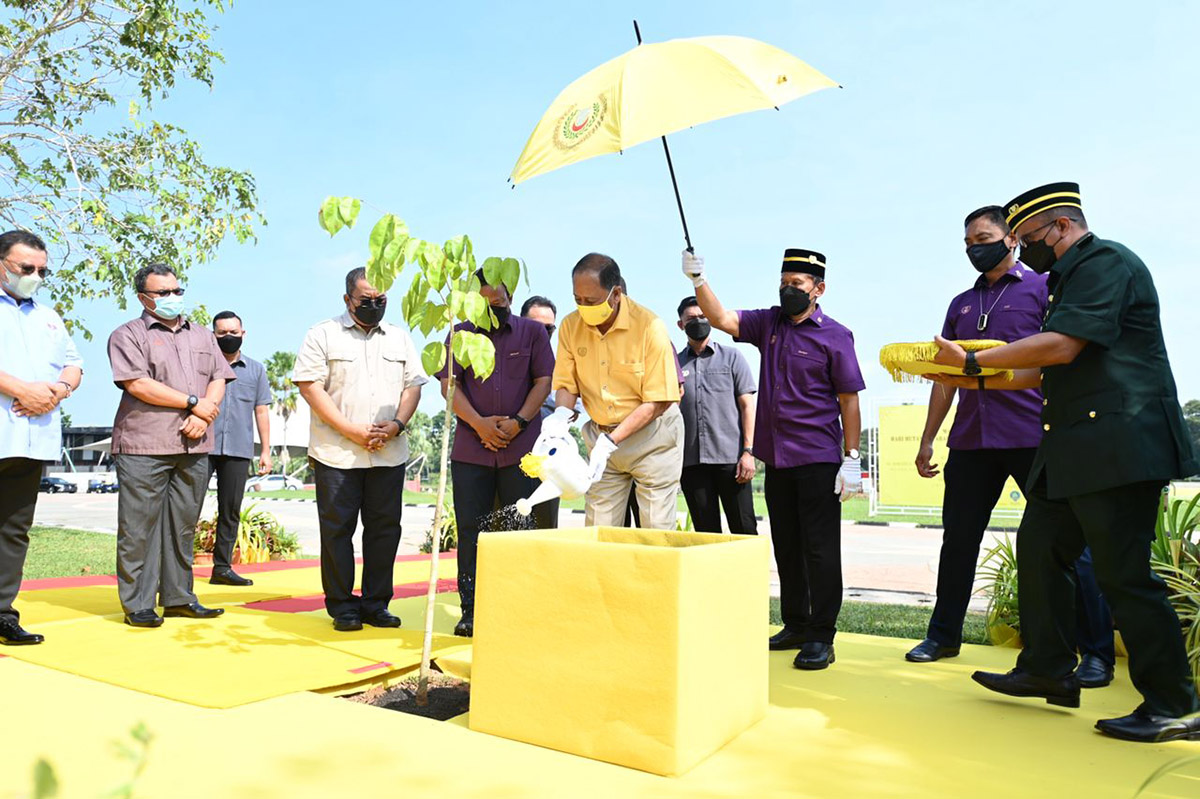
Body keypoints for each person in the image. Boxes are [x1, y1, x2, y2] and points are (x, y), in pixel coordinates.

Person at [932, 182, 1200, 742]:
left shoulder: (1106, 262)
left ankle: (1175, 703)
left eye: (1027, 238)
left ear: (1059, 226)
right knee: (1038, 548)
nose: (1022, 248)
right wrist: (965, 374)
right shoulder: (1066, 279)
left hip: (1119, 445)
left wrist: (978, 365)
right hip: (1075, 447)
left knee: (1124, 574)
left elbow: (1061, 346)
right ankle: (1047, 668)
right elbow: (1044, 370)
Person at [907, 207, 1115, 689]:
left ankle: (1097, 652)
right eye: (967, 242)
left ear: (1012, 239)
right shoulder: (960, 302)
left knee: (1067, 546)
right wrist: (927, 436)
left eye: (982, 237)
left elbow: (1061, 355)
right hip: (971, 441)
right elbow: (948, 378)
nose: (973, 248)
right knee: (957, 540)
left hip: (1033, 436)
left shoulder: (1043, 289)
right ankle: (943, 636)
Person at [687, 248, 864, 670]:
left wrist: (852, 458)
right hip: (778, 461)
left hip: (818, 458)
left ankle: (822, 635)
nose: (788, 291)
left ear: (818, 290)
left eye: (797, 285)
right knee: (786, 546)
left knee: (820, 550)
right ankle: (796, 624)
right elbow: (722, 318)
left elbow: (849, 400)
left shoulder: (835, 335)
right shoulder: (769, 324)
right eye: (783, 283)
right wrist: (698, 280)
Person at [294, 267, 426, 632]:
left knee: (385, 529)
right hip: (337, 452)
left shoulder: (399, 339)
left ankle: (376, 603)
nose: (373, 306)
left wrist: (397, 424)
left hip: (388, 451)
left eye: (380, 300)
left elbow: (413, 386)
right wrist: (349, 430)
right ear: (347, 299)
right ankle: (342, 606)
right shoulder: (322, 334)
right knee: (337, 530)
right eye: (365, 300)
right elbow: (310, 387)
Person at [108, 263, 233, 627]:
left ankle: (179, 597)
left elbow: (219, 378)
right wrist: (193, 404)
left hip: (193, 445)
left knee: (183, 526)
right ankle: (138, 603)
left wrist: (204, 414)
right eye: (162, 293)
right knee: (139, 528)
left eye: (176, 290)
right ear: (144, 298)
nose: (172, 298)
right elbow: (138, 384)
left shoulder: (202, 335)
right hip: (144, 444)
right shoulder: (128, 335)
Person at [439, 273, 554, 637]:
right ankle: (471, 610)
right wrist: (479, 424)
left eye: (500, 304)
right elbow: (448, 384)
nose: (494, 311)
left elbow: (543, 381)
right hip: (472, 449)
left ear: (510, 296)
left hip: (522, 450)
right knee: (473, 530)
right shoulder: (459, 334)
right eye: (485, 305)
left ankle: (521, 608)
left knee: (521, 528)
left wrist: (519, 422)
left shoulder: (532, 333)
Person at [550, 253, 683, 530]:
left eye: (592, 301)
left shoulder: (650, 326)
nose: (583, 308)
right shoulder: (570, 326)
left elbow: (658, 401)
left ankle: (652, 574)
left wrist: (611, 442)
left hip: (653, 437)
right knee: (599, 527)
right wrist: (560, 417)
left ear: (616, 294)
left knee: (655, 529)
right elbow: (565, 384)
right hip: (600, 433)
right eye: (578, 300)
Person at [0, 230, 83, 645]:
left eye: (41, 270)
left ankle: (2, 613)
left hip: (33, 440)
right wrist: (21, 390)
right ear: (1, 264)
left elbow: (73, 365)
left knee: (14, 530)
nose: (34, 275)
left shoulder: (49, 317)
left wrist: (58, 391)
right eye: (25, 268)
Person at [675, 296, 758, 534]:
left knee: (744, 528)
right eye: (691, 318)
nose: (698, 321)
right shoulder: (674, 364)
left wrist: (748, 452)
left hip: (732, 461)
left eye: (703, 316)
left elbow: (747, 407)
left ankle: (748, 573)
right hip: (691, 463)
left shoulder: (732, 357)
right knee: (705, 532)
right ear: (680, 324)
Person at [207, 310, 273, 587]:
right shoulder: (203, 366)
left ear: (243, 333)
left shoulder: (256, 370)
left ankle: (222, 569)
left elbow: (261, 411)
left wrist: (266, 451)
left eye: (234, 332)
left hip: (238, 448)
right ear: (214, 335)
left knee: (231, 509)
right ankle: (177, 570)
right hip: (202, 445)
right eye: (222, 333)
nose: (228, 337)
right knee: (187, 507)